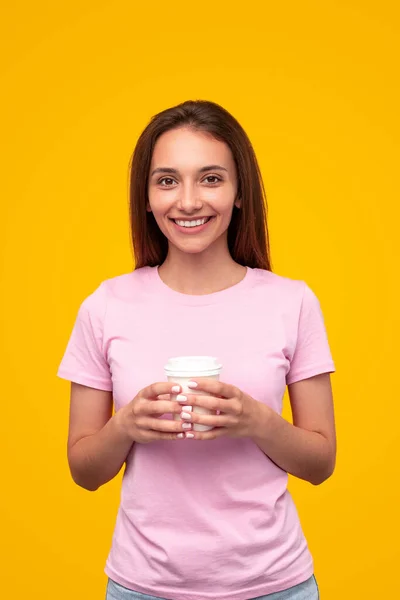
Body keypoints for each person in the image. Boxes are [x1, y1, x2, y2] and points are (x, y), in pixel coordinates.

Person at [58, 100, 336, 600]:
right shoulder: (106, 306)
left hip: (276, 586)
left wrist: (256, 420)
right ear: (145, 197)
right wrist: (125, 426)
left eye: (210, 178)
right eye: (167, 181)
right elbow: (84, 472)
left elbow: (320, 463)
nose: (188, 201)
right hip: (142, 587)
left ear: (239, 193)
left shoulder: (292, 302)